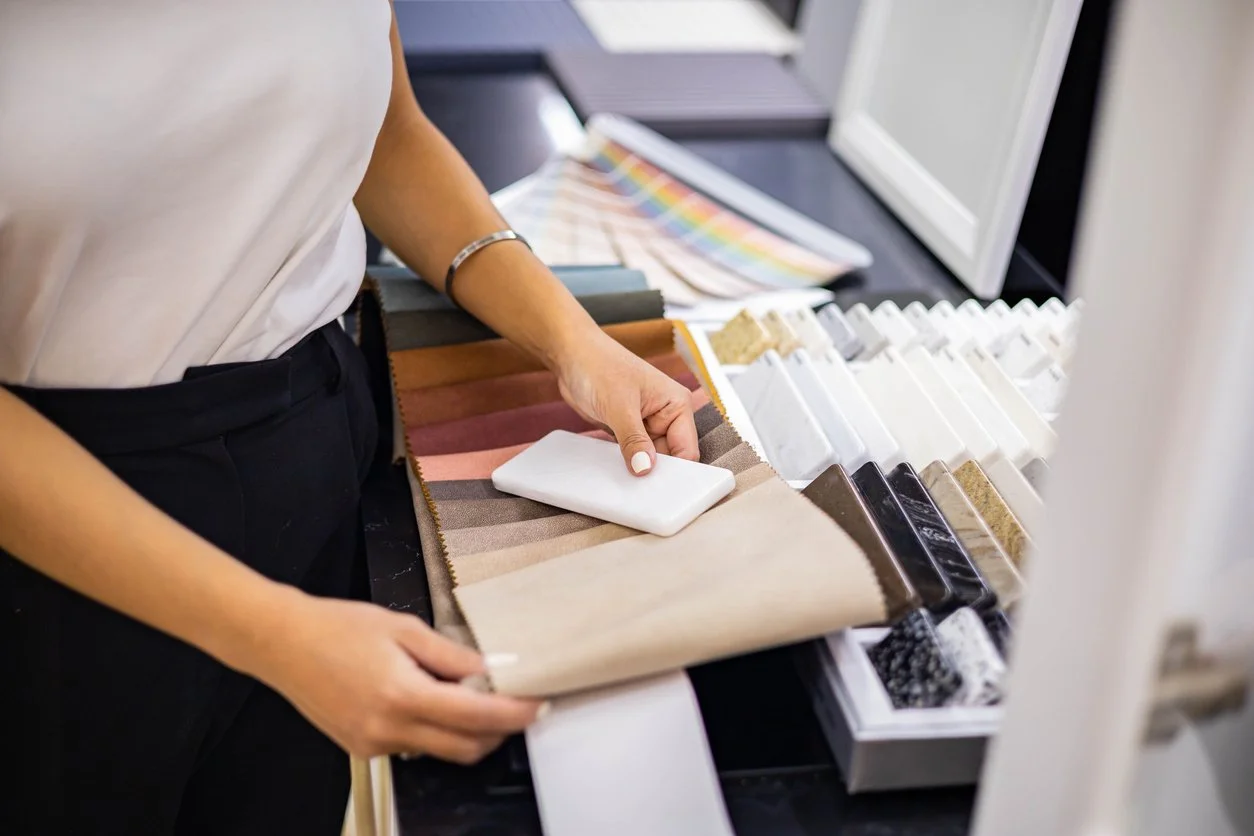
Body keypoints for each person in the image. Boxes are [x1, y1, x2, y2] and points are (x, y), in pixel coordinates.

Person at [0, 2, 699, 834]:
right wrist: (276, 634)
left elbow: (389, 137)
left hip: (314, 445)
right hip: (56, 524)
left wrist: (570, 339)